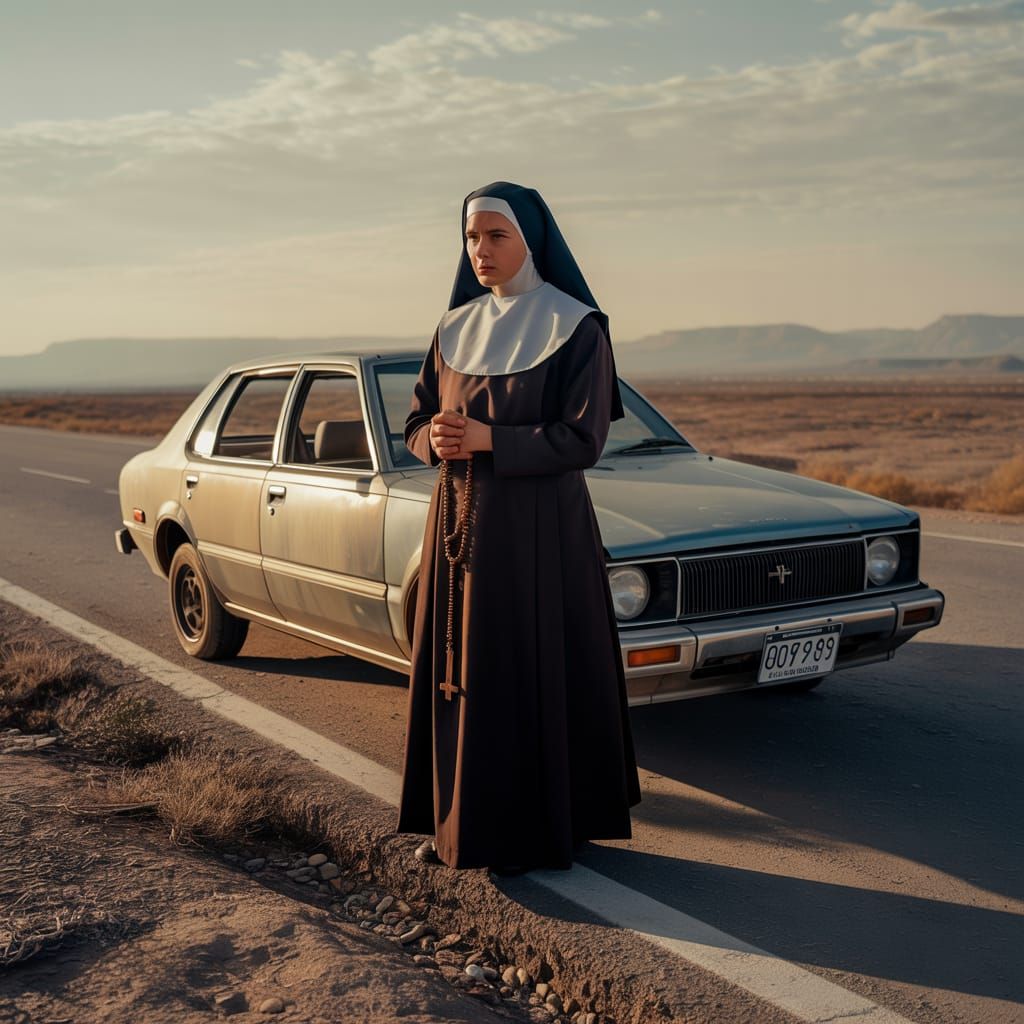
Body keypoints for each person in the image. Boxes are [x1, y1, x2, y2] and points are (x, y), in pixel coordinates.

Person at [395, 180, 642, 876]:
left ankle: (545, 829)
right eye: (471, 237)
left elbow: (583, 439)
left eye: (496, 235)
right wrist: (433, 440)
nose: (481, 250)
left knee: (530, 668)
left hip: (541, 534)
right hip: (459, 528)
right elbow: (415, 421)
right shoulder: (452, 328)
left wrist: (489, 440)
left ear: (530, 241)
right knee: (461, 671)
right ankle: (459, 826)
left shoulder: (577, 326)